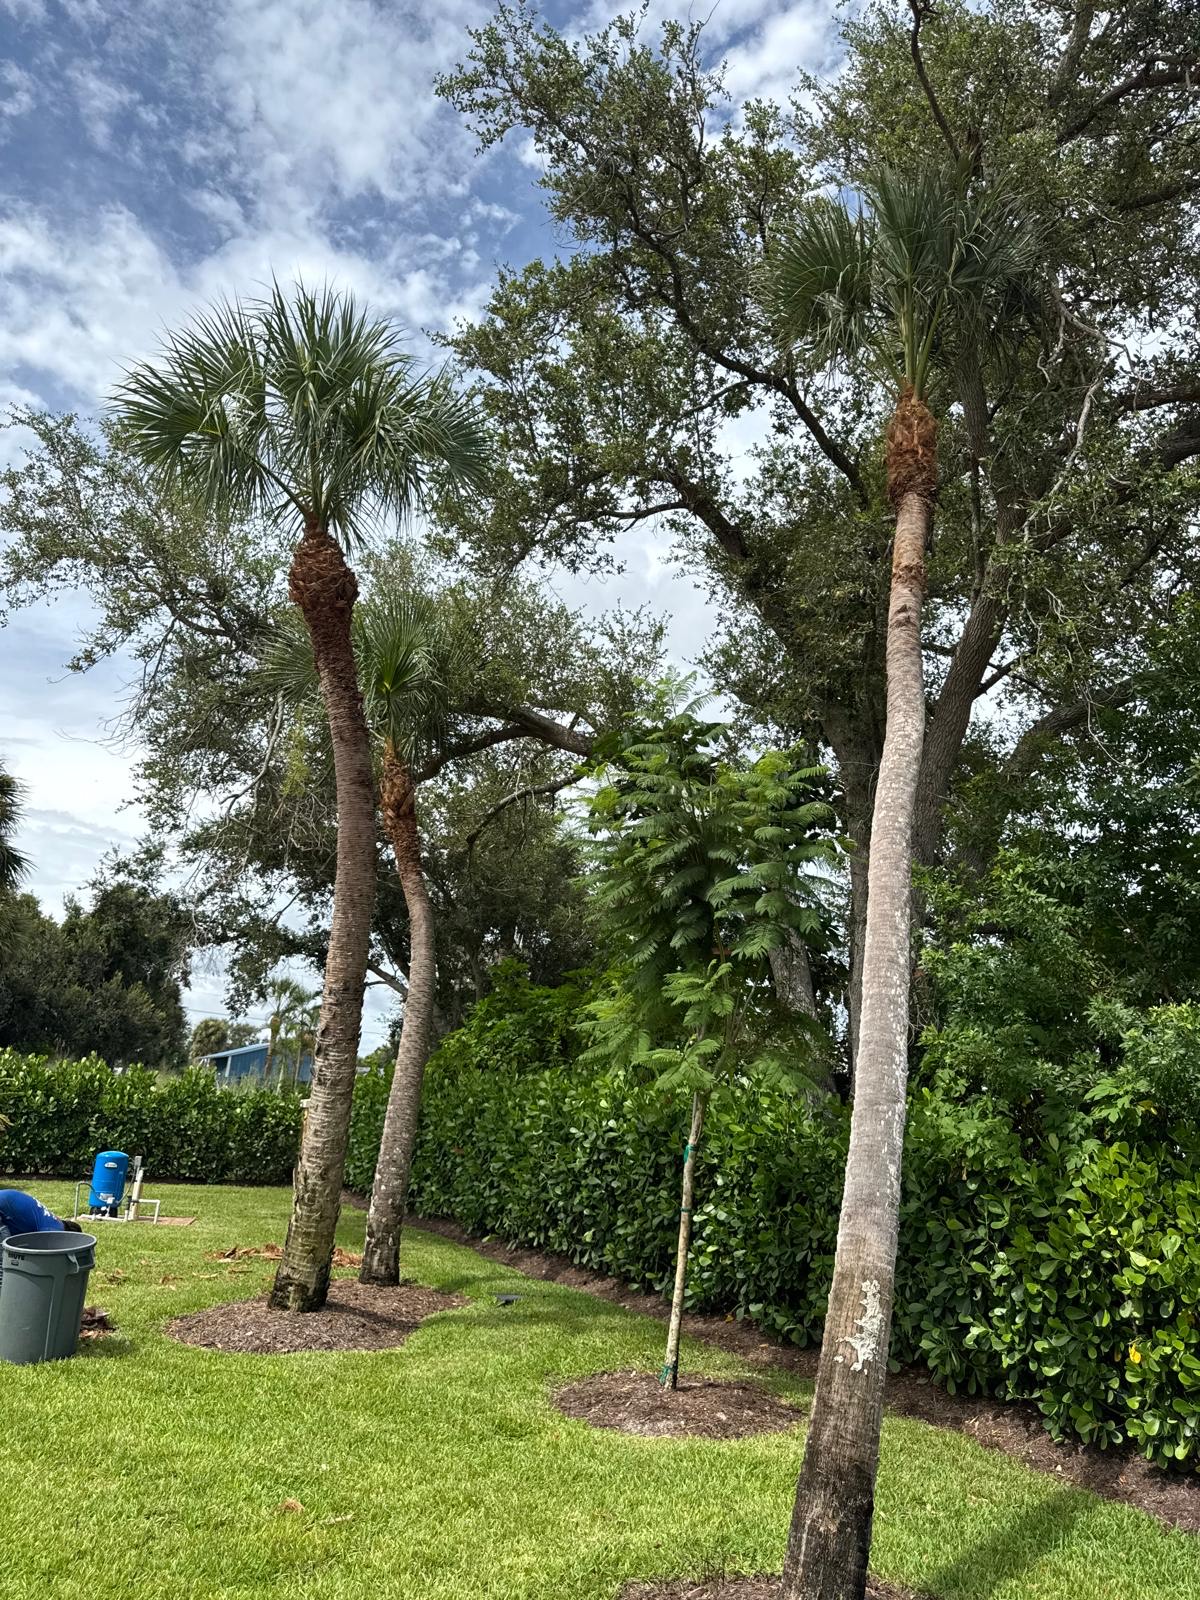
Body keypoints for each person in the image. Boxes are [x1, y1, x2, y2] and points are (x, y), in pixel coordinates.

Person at [0, 1189, 83, 1236]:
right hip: (4, 1204)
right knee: (4, 1254)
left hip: (5, 1198)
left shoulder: (52, 1220)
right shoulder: (55, 1230)